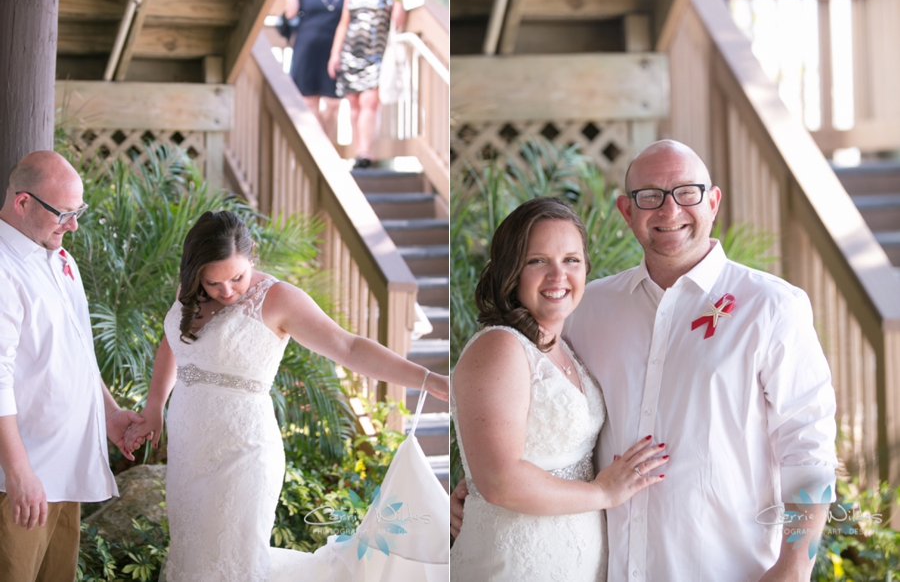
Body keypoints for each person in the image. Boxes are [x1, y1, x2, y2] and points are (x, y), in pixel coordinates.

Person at [451, 140, 838, 582]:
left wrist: (793, 566)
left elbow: (809, 449)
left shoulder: (771, 307)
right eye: (649, 196)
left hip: (727, 569)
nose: (670, 211)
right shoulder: (585, 308)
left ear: (712, 202)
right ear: (626, 210)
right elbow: (530, 410)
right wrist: (476, 486)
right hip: (602, 568)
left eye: (687, 192)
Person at [123, 210, 449, 582]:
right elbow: (174, 344)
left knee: (231, 563)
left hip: (242, 455)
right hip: (188, 453)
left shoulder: (278, 299)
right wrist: (154, 407)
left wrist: (427, 379)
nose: (226, 291)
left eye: (237, 277)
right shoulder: (191, 289)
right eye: (214, 283)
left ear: (253, 255)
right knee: (194, 557)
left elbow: (348, 347)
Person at [450, 197, 668, 581]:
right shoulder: (500, 346)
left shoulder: (561, 345)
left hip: (576, 561)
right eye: (538, 261)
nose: (558, 276)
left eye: (571, 260)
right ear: (511, 270)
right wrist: (603, 494)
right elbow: (499, 481)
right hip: (514, 563)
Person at [0, 150, 144, 582]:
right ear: (22, 202)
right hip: (20, 482)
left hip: (66, 472)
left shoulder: (59, 256)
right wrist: (20, 471)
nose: (74, 225)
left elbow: (77, 352)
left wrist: (110, 413)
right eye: (63, 213)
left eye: (78, 211)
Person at [327, 0, 407, 168]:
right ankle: (357, 153)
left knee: (369, 102)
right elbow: (344, 24)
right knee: (353, 104)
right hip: (351, 53)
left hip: (376, 55)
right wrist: (335, 55)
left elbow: (399, 21)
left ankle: (365, 152)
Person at [283, 0, 354, 142]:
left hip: (334, 49)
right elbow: (291, 13)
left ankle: (322, 144)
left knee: (333, 103)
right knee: (309, 101)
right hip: (306, 48)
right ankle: (319, 149)